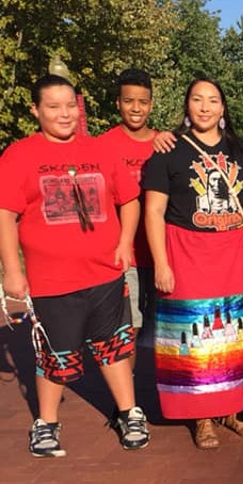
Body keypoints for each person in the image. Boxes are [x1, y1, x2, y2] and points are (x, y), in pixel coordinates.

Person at [0, 74, 149, 457]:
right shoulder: (19, 155)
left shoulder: (100, 149)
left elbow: (129, 200)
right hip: (51, 280)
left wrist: (123, 242)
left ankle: (128, 412)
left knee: (114, 346)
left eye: (70, 105)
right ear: (36, 110)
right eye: (53, 106)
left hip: (105, 272)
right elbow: (5, 215)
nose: (64, 114)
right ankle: (46, 422)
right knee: (56, 352)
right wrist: (12, 271)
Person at [142, 77, 243, 450]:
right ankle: (201, 416)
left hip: (233, 252)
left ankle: (229, 409)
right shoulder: (167, 151)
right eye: (197, 99)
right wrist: (161, 262)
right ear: (187, 105)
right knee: (192, 337)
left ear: (224, 108)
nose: (205, 107)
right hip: (187, 252)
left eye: (213, 100)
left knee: (232, 335)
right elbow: (154, 210)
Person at [97, 68, 157, 352]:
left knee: (163, 333)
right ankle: (129, 394)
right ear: (118, 103)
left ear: (151, 104)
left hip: (160, 254)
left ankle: (162, 395)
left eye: (142, 102)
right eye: (129, 101)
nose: (136, 108)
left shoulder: (165, 144)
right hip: (123, 255)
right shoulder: (102, 146)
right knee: (127, 329)